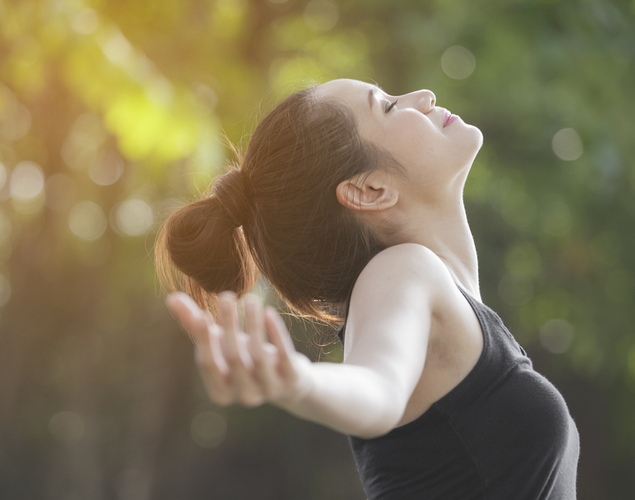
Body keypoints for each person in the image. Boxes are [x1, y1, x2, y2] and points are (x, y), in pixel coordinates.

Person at [157, 79, 580, 499]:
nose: (424, 95)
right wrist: (301, 383)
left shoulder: (436, 293)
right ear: (370, 190)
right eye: (390, 106)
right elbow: (377, 389)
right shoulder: (402, 272)